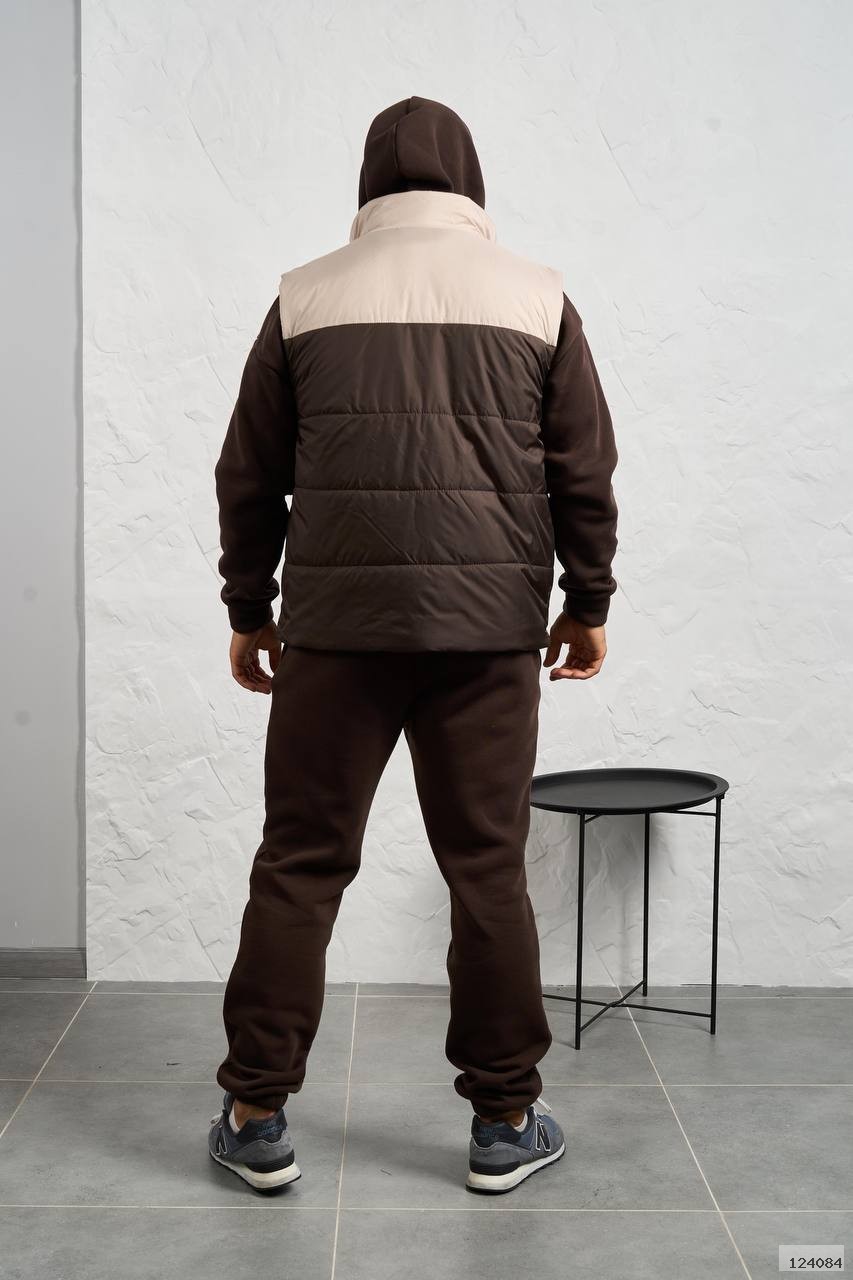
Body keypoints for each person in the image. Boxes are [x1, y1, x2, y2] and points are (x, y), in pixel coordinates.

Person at [208, 95, 619, 1196]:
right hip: (486, 636)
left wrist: (249, 607)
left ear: (368, 182)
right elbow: (582, 468)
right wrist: (587, 600)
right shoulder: (536, 294)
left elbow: (247, 472)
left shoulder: (305, 295)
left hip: (334, 634)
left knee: (299, 862)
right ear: (469, 180)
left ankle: (255, 1113)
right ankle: (505, 1120)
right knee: (486, 869)